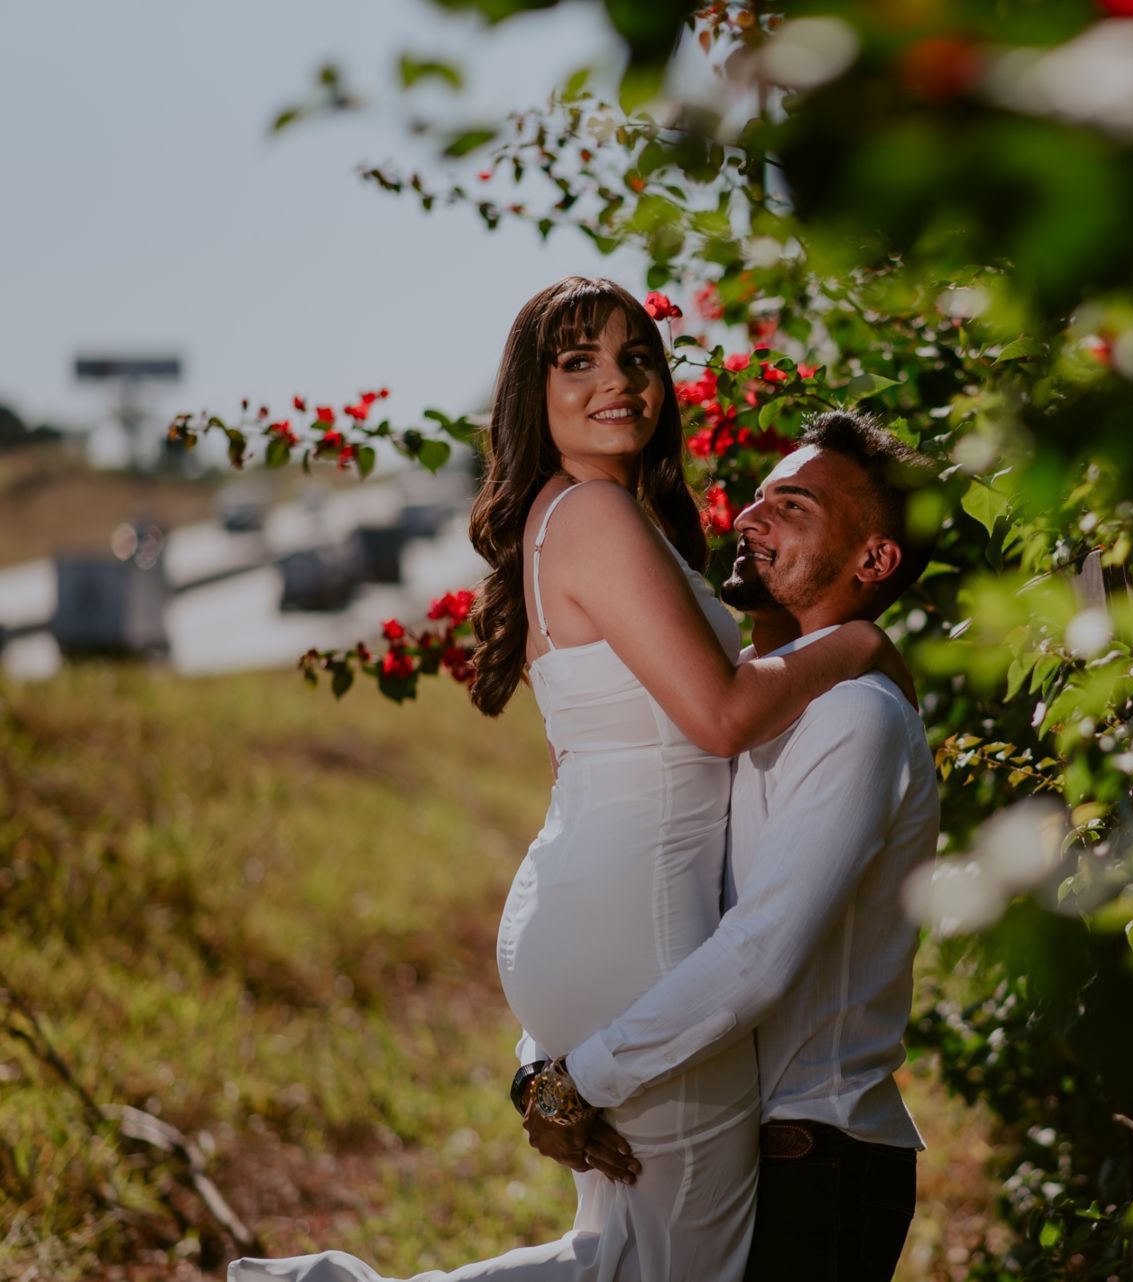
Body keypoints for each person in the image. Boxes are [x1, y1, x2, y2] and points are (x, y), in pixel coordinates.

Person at [228, 277, 908, 1282]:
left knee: (611, 1256)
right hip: (645, 932)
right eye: (578, 361)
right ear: (530, 394)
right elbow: (721, 716)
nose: (618, 380)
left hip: (587, 915)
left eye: (636, 357)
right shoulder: (592, 514)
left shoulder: (580, 520)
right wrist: (856, 639)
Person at [514, 412, 941, 1282]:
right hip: (719, 1124)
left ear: (874, 561)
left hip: (816, 1162)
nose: (749, 518)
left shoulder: (858, 717)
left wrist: (581, 1078)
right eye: (755, 498)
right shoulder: (753, 709)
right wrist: (543, 1061)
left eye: (792, 506)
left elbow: (758, 954)